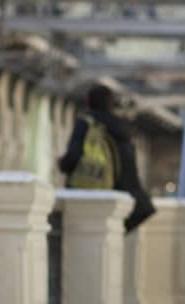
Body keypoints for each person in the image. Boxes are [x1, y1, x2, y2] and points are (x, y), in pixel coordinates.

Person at [57, 84, 156, 232]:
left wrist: (62, 164)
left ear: (88, 102)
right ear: (111, 104)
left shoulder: (87, 123)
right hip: (127, 198)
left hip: (95, 194)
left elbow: (73, 156)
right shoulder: (123, 129)